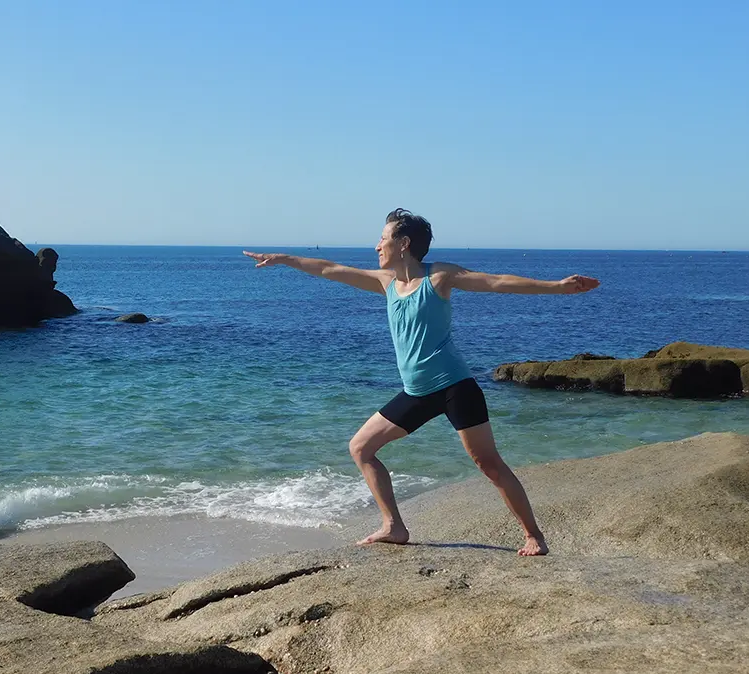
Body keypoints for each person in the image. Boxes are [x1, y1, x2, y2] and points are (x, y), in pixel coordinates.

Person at [243, 208, 600, 555]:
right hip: (416, 392)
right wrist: (284, 258)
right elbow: (329, 268)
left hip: (454, 387)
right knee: (361, 448)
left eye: (383, 238)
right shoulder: (386, 282)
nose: (376, 245)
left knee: (488, 463)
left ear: (403, 244)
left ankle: (534, 535)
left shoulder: (438, 277)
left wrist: (558, 287)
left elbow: (495, 282)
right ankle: (393, 526)